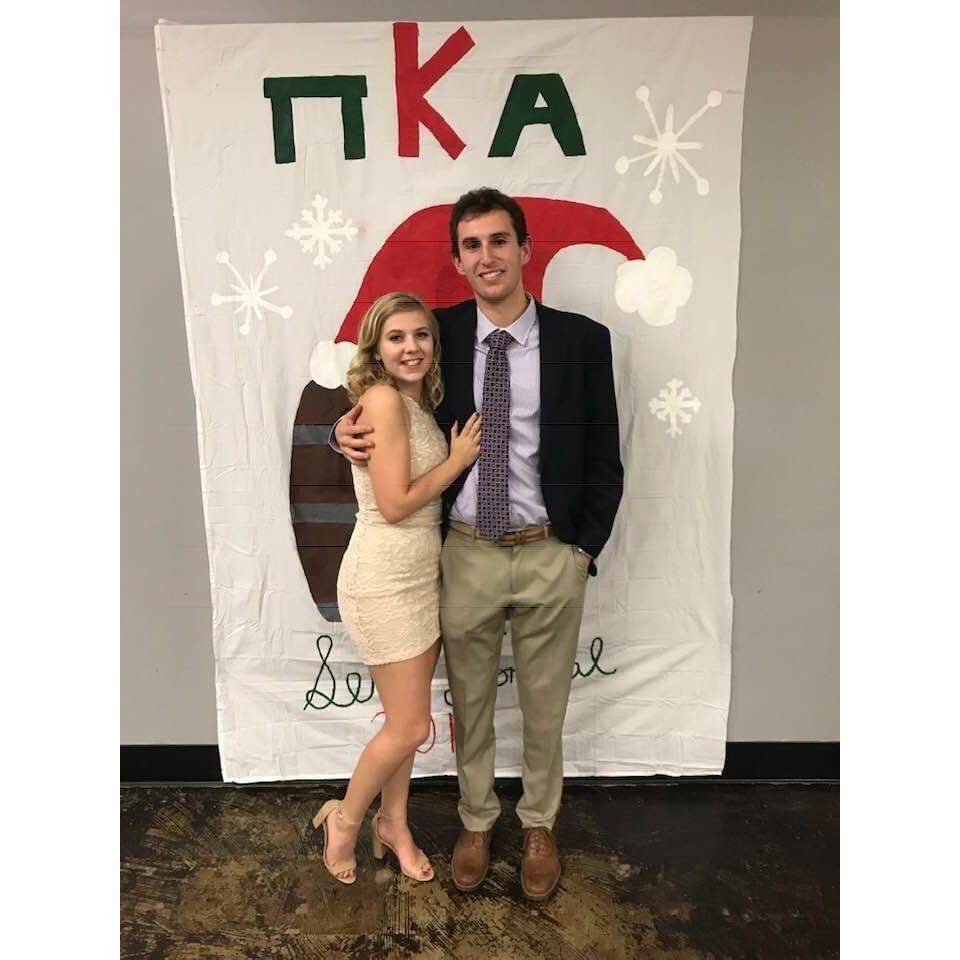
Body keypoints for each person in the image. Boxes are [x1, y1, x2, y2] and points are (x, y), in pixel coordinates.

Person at [335, 188, 624, 900]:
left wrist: (582, 549)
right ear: (458, 261)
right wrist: (345, 430)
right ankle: (475, 821)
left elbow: (605, 455)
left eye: (499, 241)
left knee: (545, 705)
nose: (487, 256)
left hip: (550, 550)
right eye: (472, 245)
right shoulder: (439, 334)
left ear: (525, 249)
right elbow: (388, 400)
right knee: (470, 703)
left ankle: (539, 825)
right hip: (465, 551)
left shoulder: (582, 342)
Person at [312, 291, 481, 885]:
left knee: (406, 719)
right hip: (383, 580)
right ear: (376, 350)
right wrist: (457, 460)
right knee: (409, 726)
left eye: (421, 335)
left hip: (420, 578)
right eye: (397, 337)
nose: (412, 347)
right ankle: (345, 820)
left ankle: (395, 822)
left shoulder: (417, 404)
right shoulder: (384, 399)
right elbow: (392, 504)